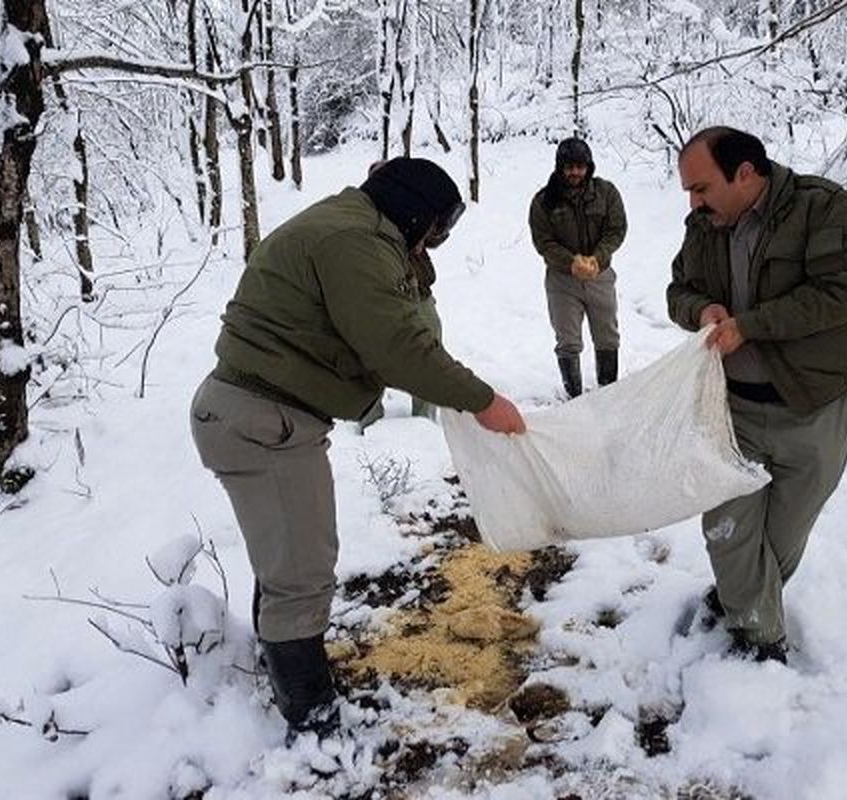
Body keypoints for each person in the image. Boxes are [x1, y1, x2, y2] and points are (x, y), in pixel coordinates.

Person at [190, 157, 525, 732]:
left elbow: (402, 299)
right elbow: (398, 346)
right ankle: (311, 719)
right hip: (264, 421)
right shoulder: (353, 241)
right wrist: (483, 400)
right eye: (434, 230)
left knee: (288, 563)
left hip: (264, 414)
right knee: (300, 574)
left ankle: (289, 687)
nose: (434, 243)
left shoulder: (357, 228)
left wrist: (414, 254)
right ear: (414, 214)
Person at [667, 126, 847, 663]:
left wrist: (752, 325)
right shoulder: (704, 226)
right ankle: (760, 642)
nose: (693, 203)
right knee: (727, 525)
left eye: (701, 188)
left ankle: (740, 598)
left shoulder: (828, 212)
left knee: (782, 536)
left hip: (815, 407)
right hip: (731, 406)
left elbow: (845, 294)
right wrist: (701, 311)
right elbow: (679, 289)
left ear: (744, 174)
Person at [528, 136, 628, 398]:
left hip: (600, 275)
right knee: (568, 342)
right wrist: (571, 262)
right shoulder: (543, 201)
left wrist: (598, 258)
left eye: (580, 166)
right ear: (559, 167)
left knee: (607, 336)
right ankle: (574, 397)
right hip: (562, 280)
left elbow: (616, 229)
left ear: (589, 167)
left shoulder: (607, 193)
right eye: (569, 167)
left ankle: (607, 393)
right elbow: (543, 242)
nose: (575, 172)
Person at [358, 160, 445, 428]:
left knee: (430, 351)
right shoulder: (361, 214)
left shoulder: (409, 206)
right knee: (368, 358)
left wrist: (436, 220)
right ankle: (368, 421)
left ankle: (425, 419)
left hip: (419, 293)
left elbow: (435, 238)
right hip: (379, 297)